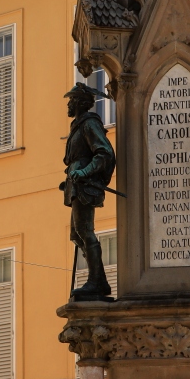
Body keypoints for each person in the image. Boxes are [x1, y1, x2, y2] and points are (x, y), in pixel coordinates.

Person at [60, 82, 116, 300]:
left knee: (85, 231)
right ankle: (99, 279)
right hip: (75, 185)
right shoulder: (78, 124)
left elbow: (104, 153)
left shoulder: (89, 123)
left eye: (71, 100)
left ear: (81, 103)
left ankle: (96, 282)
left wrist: (85, 172)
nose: (68, 104)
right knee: (76, 234)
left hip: (84, 185)